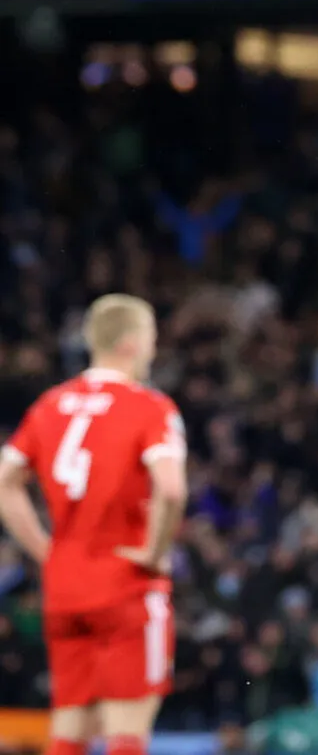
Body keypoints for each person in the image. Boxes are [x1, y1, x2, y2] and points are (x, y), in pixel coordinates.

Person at [0, 294, 188, 755]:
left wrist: (45, 550)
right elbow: (171, 489)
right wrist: (154, 552)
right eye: (151, 339)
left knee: (69, 731)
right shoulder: (150, 407)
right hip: (125, 581)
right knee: (126, 732)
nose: (153, 351)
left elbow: (5, 481)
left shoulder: (50, 405)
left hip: (65, 586)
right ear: (130, 343)